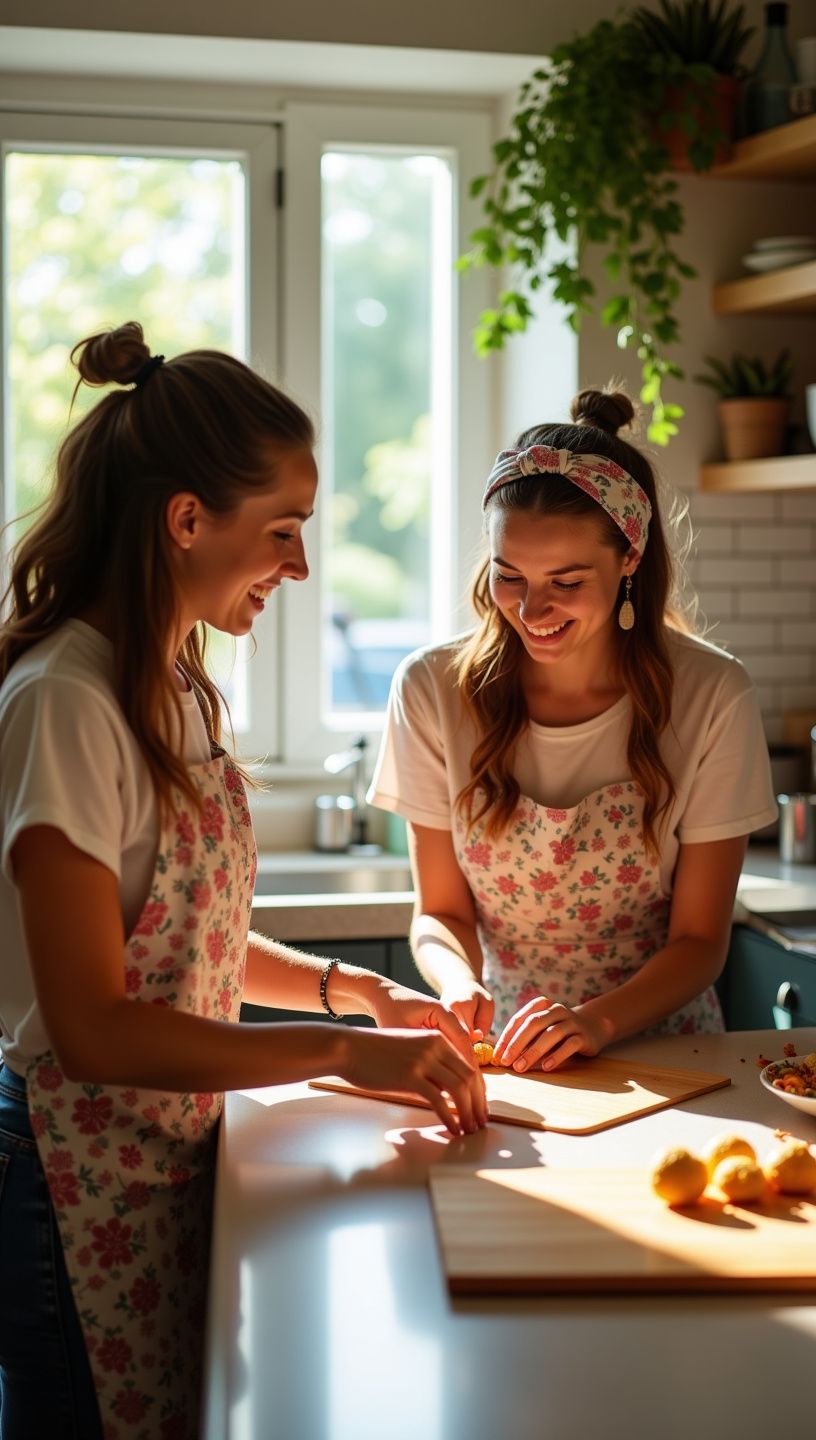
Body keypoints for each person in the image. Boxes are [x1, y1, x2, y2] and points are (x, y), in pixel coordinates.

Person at [0, 322, 487, 1440]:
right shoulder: (66, 700)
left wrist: (354, 992)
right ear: (185, 521)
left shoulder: (171, 679)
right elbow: (95, 1028)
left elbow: (189, 943)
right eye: (284, 532)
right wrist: (341, 1052)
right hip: (73, 1180)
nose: (301, 568)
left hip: (157, 1158)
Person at [369, 387, 777, 1076]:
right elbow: (439, 911)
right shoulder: (430, 689)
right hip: (506, 1054)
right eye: (509, 575)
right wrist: (457, 984)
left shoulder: (711, 694)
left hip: (670, 1055)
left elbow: (702, 939)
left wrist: (594, 1022)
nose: (531, 609)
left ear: (629, 559)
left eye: (565, 580)